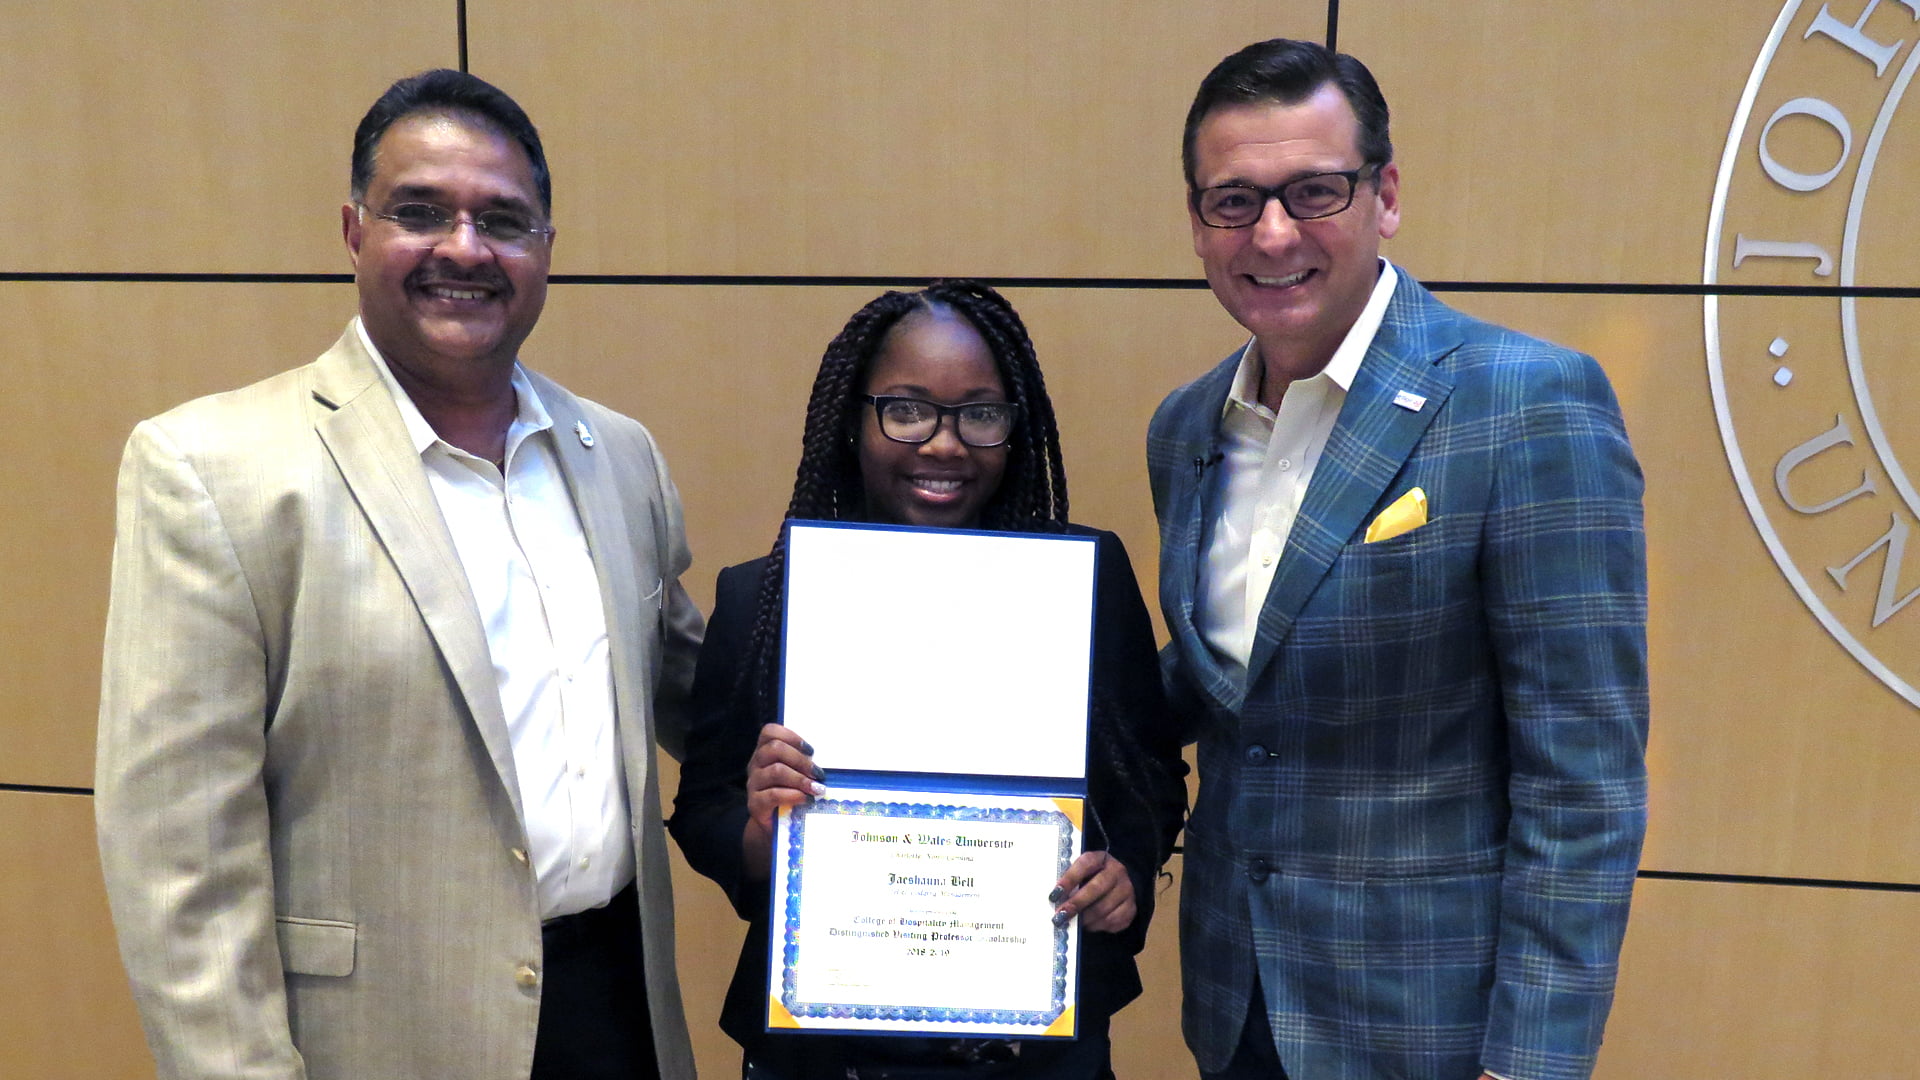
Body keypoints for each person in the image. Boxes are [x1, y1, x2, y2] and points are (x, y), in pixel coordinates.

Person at [94, 69, 702, 1080]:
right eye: (422, 213)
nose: (465, 249)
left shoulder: (619, 455)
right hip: (381, 1044)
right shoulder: (212, 472)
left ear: (546, 249)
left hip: (617, 1016)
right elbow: (180, 867)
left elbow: (703, 699)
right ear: (353, 232)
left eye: (503, 220)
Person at [1149, 39, 1649, 1080]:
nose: (1272, 232)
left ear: (1385, 196)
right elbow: (1219, 686)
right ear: (1197, 222)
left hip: (1434, 1028)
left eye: (1312, 192)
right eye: (1233, 201)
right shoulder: (1188, 426)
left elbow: (1583, 786)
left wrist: (1529, 1062)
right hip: (1238, 1007)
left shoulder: (1526, 404)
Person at [670, 280, 1187, 1080]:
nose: (945, 444)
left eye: (980, 413)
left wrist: (1122, 876)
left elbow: (1150, 776)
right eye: (907, 410)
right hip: (821, 1053)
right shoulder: (764, 597)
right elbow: (702, 807)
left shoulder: (1087, 578)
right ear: (854, 419)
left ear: (1014, 428)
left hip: (1036, 1051)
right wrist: (757, 831)